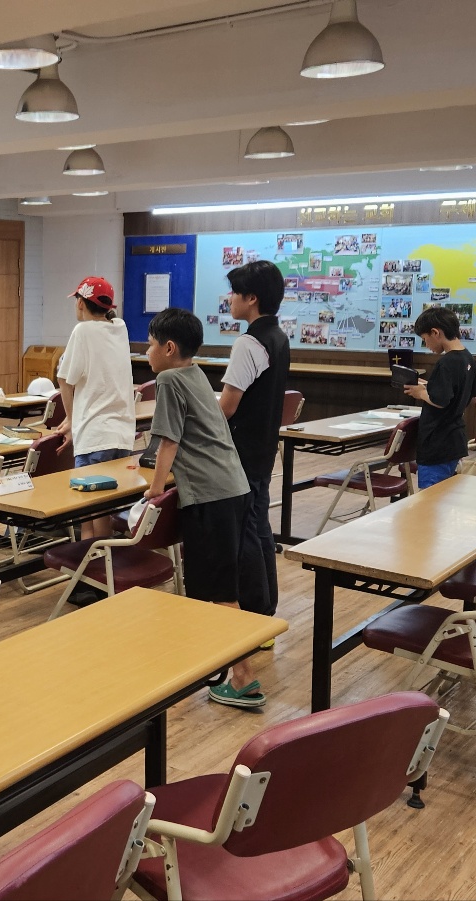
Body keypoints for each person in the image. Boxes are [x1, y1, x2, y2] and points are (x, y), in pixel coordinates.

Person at [143, 309, 259, 709]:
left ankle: (244, 678)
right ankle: (209, 664)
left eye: (150, 344)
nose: (147, 351)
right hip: (234, 488)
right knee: (216, 587)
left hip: (212, 495)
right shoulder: (195, 374)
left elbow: (169, 441)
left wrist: (154, 489)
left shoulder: (168, 379)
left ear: (168, 347)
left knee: (221, 594)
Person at [217, 261, 289, 628]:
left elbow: (228, 406)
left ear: (252, 298)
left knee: (245, 533)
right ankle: (266, 606)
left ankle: (254, 613)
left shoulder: (248, 342)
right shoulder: (278, 336)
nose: (229, 298)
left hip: (242, 451)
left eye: (234, 292)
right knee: (259, 528)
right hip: (263, 448)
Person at [55, 276, 136, 542]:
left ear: (81, 303)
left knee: (92, 515)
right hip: (122, 435)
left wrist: (71, 419)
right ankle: (96, 562)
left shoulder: (82, 331)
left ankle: (100, 563)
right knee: (103, 511)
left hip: (94, 436)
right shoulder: (120, 327)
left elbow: (64, 379)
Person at [404, 306, 476, 489]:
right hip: (455, 439)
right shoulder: (468, 358)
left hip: (436, 442)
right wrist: (431, 387)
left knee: (429, 497)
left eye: (425, 339)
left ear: (435, 333)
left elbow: (440, 400)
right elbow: (474, 397)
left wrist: (420, 393)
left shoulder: (446, 362)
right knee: (445, 495)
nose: (426, 345)